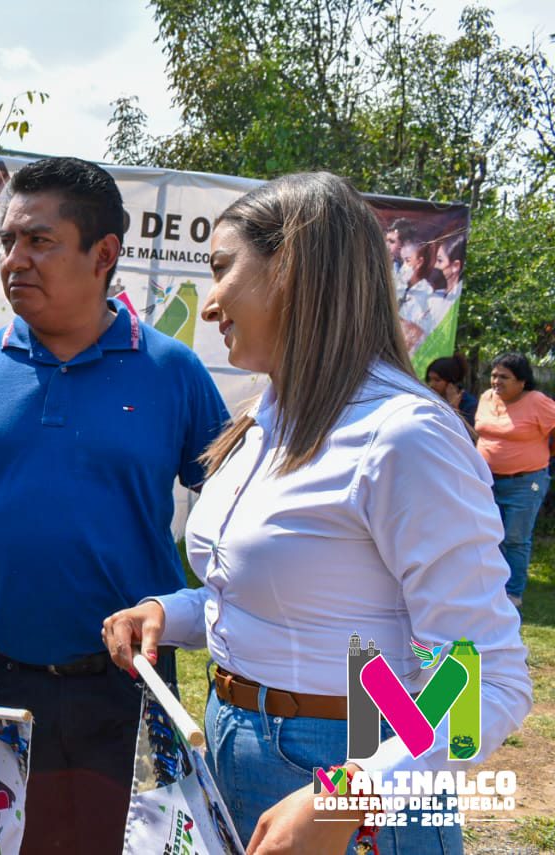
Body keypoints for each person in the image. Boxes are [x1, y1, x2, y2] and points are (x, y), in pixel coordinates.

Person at [103, 172, 531, 855]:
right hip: (235, 743)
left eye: (221, 270)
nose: (209, 304)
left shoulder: (403, 433)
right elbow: (275, 595)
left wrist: (355, 788)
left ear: (292, 269)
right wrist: (169, 612)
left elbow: (489, 676)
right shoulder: (262, 417)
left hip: (354, 761)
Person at [0, 157, 229, 852]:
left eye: (39, 242)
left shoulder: (172, 371)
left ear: (103, 254)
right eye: (7, 243)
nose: (14, 262)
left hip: (125, 690)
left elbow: (242, 515)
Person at [475, 352, 555, 608]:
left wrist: (542, 454)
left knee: (515, 538)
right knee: (487, 536)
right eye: (494, 375)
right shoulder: (486, 398)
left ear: (522, 382)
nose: (496, 381)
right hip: (486, 481)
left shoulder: (537, 402)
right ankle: (488, 590)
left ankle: (512, 595)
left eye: (504, 377)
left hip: (525, 482)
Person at [425, 353, 478, 427]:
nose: (431, 384)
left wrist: (454, 408)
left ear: (451, 383)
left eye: (437, 380)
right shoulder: (430, 399)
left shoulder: (470, 405)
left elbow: (469, 435)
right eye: (429, 379)